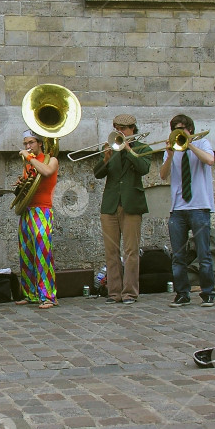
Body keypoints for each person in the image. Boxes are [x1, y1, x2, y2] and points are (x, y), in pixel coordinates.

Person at [159, 114, 215, 308]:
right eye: (175, 128)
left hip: (200, 207)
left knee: (204, 253)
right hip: (178, 209)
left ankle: (207, 293)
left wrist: (189, 145)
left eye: (182, 128)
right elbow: (163, 175)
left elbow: (209, 160)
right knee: (178, 256)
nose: (179, 131)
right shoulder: (171, 150)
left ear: (190, 129)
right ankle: (182, 293)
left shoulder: (203, 143)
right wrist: (171, 153)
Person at [93, 114, 151, 305]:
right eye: (117, 129)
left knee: (131, 251)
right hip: (110, 204)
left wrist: (127, 150)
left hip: (131, 203)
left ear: (133, 129)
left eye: (124, 129)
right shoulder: (109, 148)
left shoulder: (143, 148)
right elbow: (98, 174)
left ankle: (130, 293)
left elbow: (143, 168)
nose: (121, 132)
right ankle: (114, 292)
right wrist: (106, 158)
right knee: (111, 250)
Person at [15, 129, 60, 309]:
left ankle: (48, 296)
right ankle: (30, 293)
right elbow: (30, 186)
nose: (28, 146)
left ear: (40, 143)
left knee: (43, 252)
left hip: (43, 210)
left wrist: (29, 158)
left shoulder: (51, 159)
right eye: (25, 144)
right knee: (26, 252)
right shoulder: (28, 164)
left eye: (31, 143)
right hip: (27, 210)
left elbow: (47, 172)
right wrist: (21, 185)